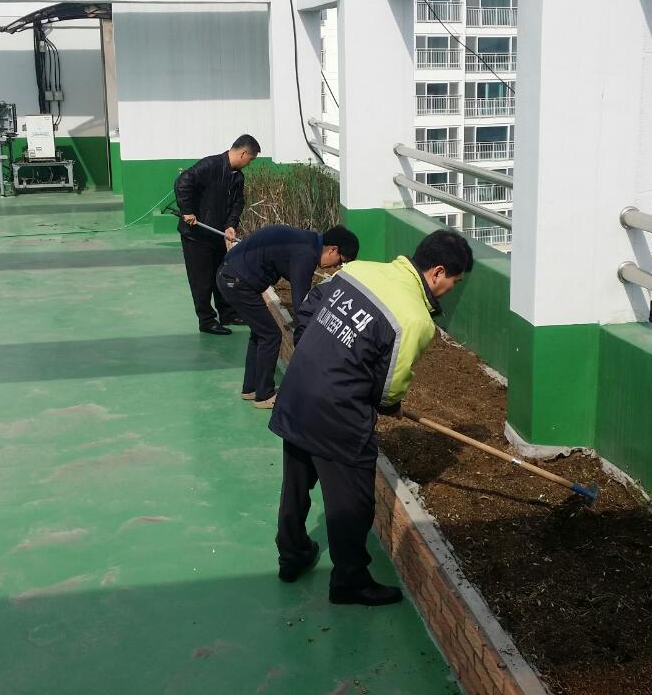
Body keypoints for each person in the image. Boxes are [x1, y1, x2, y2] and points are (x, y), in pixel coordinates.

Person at [268, 229, 474, 606]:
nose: (451, 289)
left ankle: (292, 555)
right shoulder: (414, 319)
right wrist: (389, 404)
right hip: (337, 414)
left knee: (296, 484)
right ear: (437, 272)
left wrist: (316, 355)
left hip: (297, 390)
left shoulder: (359, 270)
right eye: (454, 282)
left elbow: (309, 307)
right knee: (353, 503)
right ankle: (349, 582)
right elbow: (389, 385)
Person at [217, 224, 361, 410]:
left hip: (230, 275)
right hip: (237, 282)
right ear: (333, 249)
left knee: (261, 333)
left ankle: (251, 388)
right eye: (340, 261)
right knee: (271, 335)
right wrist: (309, 341)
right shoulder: (306, 254)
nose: (336, 266)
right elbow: (301, 304)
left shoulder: (307, 242)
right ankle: (264, 395)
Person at [174, 134, 260, 335]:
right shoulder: (210, 165)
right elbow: (182, 182)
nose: (250, 164)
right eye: (251, 159)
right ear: (243, 153)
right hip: (196, 235)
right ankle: (206, 320)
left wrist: (230, 225)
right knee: (201, 279)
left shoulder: (237, 176)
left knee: (222, 275)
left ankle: (227, 314)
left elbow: (238, 203)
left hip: (217, 234)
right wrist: (187, 210)